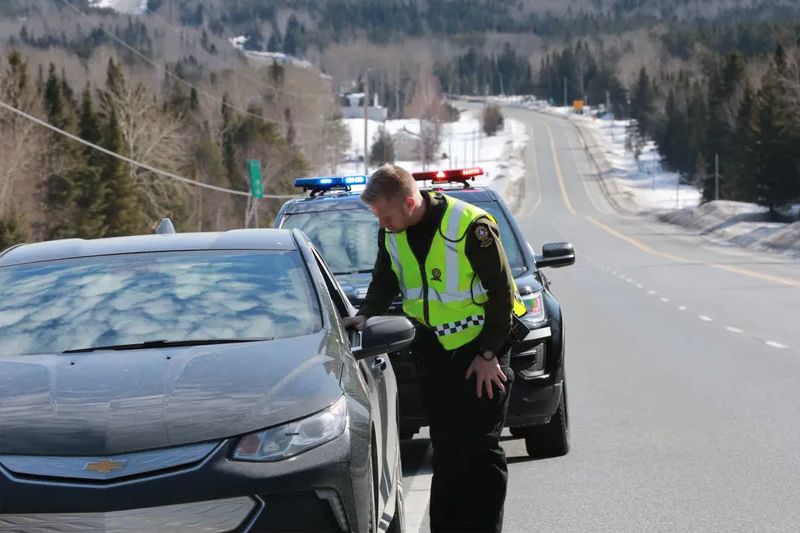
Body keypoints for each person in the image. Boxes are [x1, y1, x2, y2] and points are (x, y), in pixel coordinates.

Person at [344, 164, 527, 533]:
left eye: (386, 215)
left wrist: (489, 354)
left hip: (482, 346)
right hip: (435, 349)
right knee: (446, 447)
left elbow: (502, 296)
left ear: (410, 202)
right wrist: (365, 315)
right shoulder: (393, 232)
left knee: (480, 448)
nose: (382, 224)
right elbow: (385, 278)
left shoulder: (471, 227)